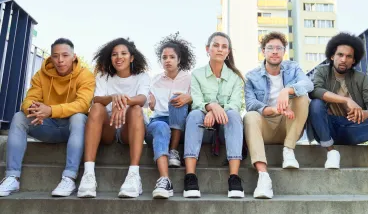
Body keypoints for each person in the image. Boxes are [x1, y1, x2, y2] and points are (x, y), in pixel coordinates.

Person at [307, 32, 368, 199]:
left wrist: (366, 113)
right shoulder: (322, 71)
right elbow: (315, 91)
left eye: (348, 56)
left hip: (352, 129)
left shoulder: (360, 78)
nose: (343, 59)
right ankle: (331, 152)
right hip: (327, 128)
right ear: (332, 56)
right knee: (315, 104)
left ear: (354, 60)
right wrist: (346, 101)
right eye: (340, 55)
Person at [0, 38, 95, 197]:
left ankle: (69, 178)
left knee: (79, 117)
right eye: (56, 56)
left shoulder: (85, 75)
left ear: (74, 57)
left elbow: (83, 104)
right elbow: (29, 100)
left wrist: (51, 110)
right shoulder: (41, 75)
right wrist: (35, 110)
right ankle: (12, 177)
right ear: (51, 57)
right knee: (19, 117)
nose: (60, 60)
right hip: (45, 124)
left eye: (65, 55)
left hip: (72, 129)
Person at [77, 38, 150, 198]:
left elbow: (143, 98)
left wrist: (123, 101)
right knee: (96, 107)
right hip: (107, 129)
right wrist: (112, 97)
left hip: (128, 130)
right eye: (114, 54)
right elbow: (96, 99)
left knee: (136, 109)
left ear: (131, 57)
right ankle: (88, 175)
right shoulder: (104, 77)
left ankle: (134, 176)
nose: (119, 57)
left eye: (124, 53)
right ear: (110, 58)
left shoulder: (142, 77)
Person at [243, 32, 313, 199]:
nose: (275, 51)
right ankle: (263, 177)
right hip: (265, 126)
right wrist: (275, 109)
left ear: (284, 51)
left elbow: (308, 83)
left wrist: (286, 90)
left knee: (302, 97)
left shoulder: (293, 68)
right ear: (263, 51)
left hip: (287, 125)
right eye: (270, 48)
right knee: (249, 116)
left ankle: (288, 150)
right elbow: (251, 104)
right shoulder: (251, 76)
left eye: (279, 48)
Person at [182, 32, 245, 198]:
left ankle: (234, 178)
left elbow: (236, 104)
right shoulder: (197, 74)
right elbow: (196, 100)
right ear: (207, 49)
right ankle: (190, 177)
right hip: (203, 130)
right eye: (216, 45)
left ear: (228, 52)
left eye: (224, 47)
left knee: (233, 114)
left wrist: (216, 110)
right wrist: (210, 107)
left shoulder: (235, 78)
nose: (219, 49)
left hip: (226, 132)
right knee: (195, 114)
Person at [145, 33, 195, 199]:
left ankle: (173, 150)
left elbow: (200, 99)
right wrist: (149, 99)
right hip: (158, 124)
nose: (167, 60)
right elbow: (145, 101)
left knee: (178, 99)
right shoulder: (155, 80)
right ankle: (164, 179)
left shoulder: (190, 79)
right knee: (161, 126)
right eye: (164, 57)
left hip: (180, 125)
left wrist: (191, 97)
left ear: (179, 59)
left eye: (172, 57)